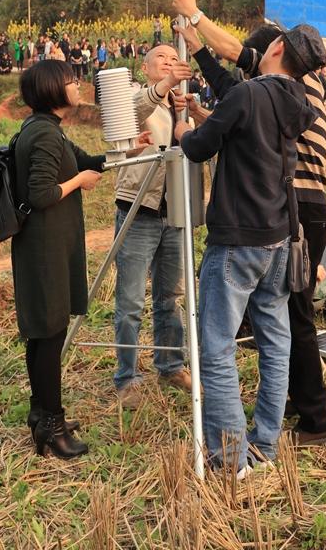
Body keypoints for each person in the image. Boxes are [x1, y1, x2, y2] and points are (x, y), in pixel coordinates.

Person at [172, 0, 326, 449]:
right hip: (288, 214)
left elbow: (237, 84)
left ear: (274, 49)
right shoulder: (293, 96)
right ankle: (278, 419)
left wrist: (195, 17)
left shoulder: (278, 81)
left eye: (257, 52)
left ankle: (315, 419)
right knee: (281, 319)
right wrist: (212, 110)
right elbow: (239, 104)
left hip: (287, 207)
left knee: (291, 318)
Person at [12, 61, 106, 460]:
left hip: (45, 247)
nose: (78, 85)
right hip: (45, 251)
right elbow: (42, 194)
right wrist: (78, 182)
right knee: (49, 335)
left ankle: (40, 413)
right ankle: (51, 425)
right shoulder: (46, 137)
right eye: (71, 80)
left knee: (43, 334)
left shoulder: (45, 129)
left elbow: (87, 160)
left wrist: (127, 149)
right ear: (53, 89)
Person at [112, 45, 193, 408]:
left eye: (174, 58)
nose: (168, 62)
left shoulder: (182, 103)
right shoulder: (134, 96)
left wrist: (191, 112)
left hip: (174, 212)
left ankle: (170, 364)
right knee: (130, 301)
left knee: (169, 297)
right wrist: (164, 87)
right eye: (161, 58)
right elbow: (132, 112)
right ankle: (126, 378)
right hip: (138, 210)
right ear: (145, 68)